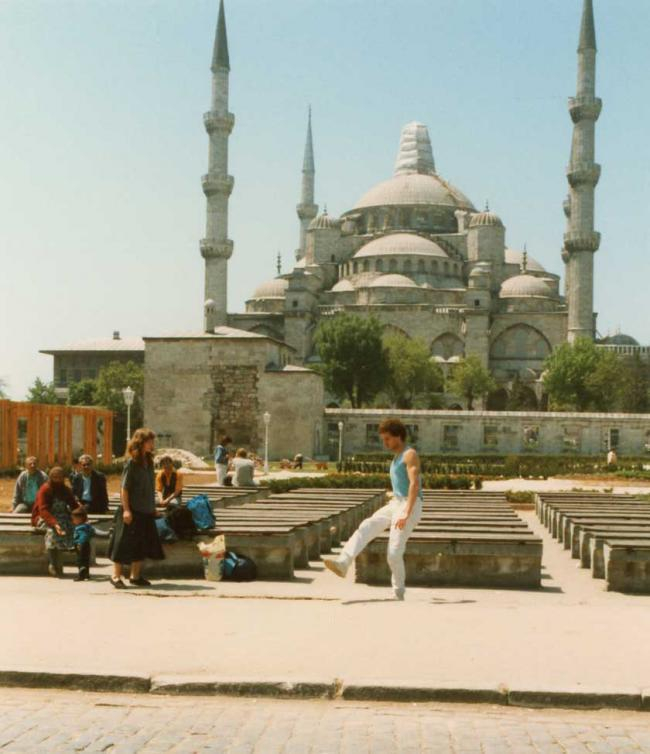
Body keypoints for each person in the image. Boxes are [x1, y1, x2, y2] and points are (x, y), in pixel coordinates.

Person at [323, 418, 423, 601]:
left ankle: (398, 592)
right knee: (367, 525)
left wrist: (406, 513)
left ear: (398, 436)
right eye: (383, 439)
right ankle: (343, 563)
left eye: (388, 439)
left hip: (410, 504)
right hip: (396, 503)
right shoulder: (396, 457)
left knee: (393, 552)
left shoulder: (410, 454)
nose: (385, 443)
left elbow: (414, 484)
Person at [108, 428, 164, 589]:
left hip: (146, 510)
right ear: (141, 443)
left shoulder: (149, 461)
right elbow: (124, 488)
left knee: (141, 544)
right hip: (131, 510)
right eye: (150, 441)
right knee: (123, 544)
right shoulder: (132, 463)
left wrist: (152, 507)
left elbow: (150, 486)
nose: (152, 444)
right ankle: (115, 576)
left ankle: (135, 576)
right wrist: (126, 510)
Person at [32, 467, 80, 578]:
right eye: (55, 478)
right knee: (53, 532)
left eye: (60, 477)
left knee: (75, 530)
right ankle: (53, 564)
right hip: (45, 517)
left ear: (63, 478)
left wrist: (82, 516)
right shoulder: (45, 489)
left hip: (62, 516)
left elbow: (74, 505)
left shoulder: (66, 490)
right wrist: (54, 524)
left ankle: (75, 563)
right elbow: (43, 510)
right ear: (50, 478)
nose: (57, 480)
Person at [71, 507, 108, 582]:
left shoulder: (80, 528)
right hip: (87, 545)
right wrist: (106, 533)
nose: (73, 520)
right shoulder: (87, 526)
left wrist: (79, 544)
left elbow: (83, 536)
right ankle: (86, 575)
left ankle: (81, 576)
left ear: (80, 519)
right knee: (86, 560)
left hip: (81, 545)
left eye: (74, 519)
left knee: (80, 561)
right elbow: (95, 532)